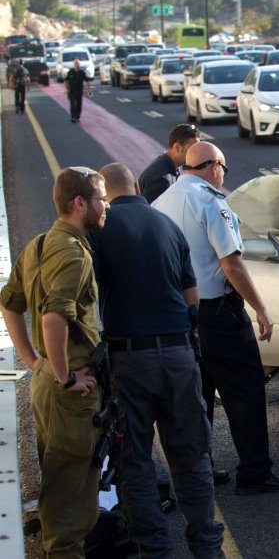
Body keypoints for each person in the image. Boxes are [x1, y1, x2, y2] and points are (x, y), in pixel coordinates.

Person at [86, 163, 225, 557]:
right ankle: (206, 545)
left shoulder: (99, 231)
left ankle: (155, 548)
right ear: (135, 186)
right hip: (179, 355)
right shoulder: (167, 225)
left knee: (135, 460)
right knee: (191, 455)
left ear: (105, 195)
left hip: (129, 359)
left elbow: (89, 297)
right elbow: (191, 294)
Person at [153, 142, 279, 496]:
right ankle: (255, 472)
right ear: (214, 167)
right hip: (219, 313)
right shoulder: (211, 201)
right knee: (245, 391)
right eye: (224, 170)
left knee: (196, 397)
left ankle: (202, 469)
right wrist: (260, 308)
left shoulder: (161, 203)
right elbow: (231, 264)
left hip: (179, 317)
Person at [0, 167, 108, 558]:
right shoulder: (73, 252)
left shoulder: (41, 244)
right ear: (79, 203)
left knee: (58, 480)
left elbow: (8, 302)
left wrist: (35, 362)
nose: (106, 204)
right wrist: (65, 378)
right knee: (71, 499)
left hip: (49, 380)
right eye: (100, 198)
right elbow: (53, 318)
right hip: (69, 392)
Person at [140, 123, 203, 203]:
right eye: (192, 150)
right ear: (177, 147)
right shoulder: (162, 179)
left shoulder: (169, 166)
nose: (196, 154)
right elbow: (150, 212)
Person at [64, 58, 92, 123]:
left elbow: (87, 81)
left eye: (77, 64)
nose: (76, 65)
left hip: (79, 91)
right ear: (73, 65)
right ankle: (73, 117)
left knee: (79, 104)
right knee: (72, 104)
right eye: (75, 64)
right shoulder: (70, 72)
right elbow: (65, 80)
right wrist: (66, 89)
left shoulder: (81, 73)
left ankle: (77, 116)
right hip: (71, 91)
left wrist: (89, 90)